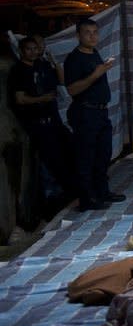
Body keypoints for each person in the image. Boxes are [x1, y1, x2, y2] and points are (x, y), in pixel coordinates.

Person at [7, 36, 77, 214]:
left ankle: (69, 191)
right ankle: (53, 199)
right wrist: (41, 99)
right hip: (37, 123)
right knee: (49, 161)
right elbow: (20, 99)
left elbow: (62, 81)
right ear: (22, 51)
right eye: (29, 49)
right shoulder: (18, 71)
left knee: (68, 151)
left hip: (53, 120)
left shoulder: (43, 66)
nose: (33, 51)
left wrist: (55, 62)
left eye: (36, 48)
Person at [64, 18, 124, 211]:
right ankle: (87, 200)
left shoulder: (94, 53)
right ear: (78, 35)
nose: (92, 36)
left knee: (103, 155)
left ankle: (102, 192)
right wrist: (96, 74)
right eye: (87, 32)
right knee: (86, 157)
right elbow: (72, 90)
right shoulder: (74, 59)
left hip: (100, 112)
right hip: (85, 112)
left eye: (95, 32)